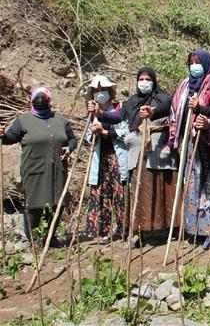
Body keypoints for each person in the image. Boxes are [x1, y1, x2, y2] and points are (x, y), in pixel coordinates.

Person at [0, 88, 77, 244]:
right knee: (35, 204)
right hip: (34, 169)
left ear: (49, 100)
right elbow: (11, 138)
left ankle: (50, 237)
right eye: (37, 96)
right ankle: (33, 239)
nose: (40, 99)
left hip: (57, 169)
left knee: (57, 203)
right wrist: (2, 135)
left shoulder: (60, 120)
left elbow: (72, 139)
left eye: (44, 96)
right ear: (31, 100)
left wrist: (69, 148)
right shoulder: (23, 120)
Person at [168, 50, 210, 249]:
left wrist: (203, 113)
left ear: (207, 63)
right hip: (189, 143)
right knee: (192, 185)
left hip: (208, 143)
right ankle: (194, 230)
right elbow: (174, 111)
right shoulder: (184, 86)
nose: (194, 66)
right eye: (191, 62)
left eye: (198, 62)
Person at [115, 67, 177, 236]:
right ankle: (141, 230)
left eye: (147, 79)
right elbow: (117, 117)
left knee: (162, 187)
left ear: (154, 81)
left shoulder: (163, 98)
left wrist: (153, 112)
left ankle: (164, 229)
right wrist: (99, 114)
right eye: (141, 79)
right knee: (140, 189)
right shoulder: (131, 102)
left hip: (159, 153)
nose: (144, 82)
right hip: (138, 154)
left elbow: (170, 106)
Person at [85, 75, 129, 243]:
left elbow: (125, 131)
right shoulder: (91, 112)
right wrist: (94, 128)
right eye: (96, 91)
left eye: (103, 90)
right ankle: (103, 231)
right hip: (100, 157)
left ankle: (123, 229)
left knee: (120, 192)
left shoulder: (119, 108)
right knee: (102, 192)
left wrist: (105, 132)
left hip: (117, 156)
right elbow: (87, 138)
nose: (100, 93)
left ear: (110, 92)